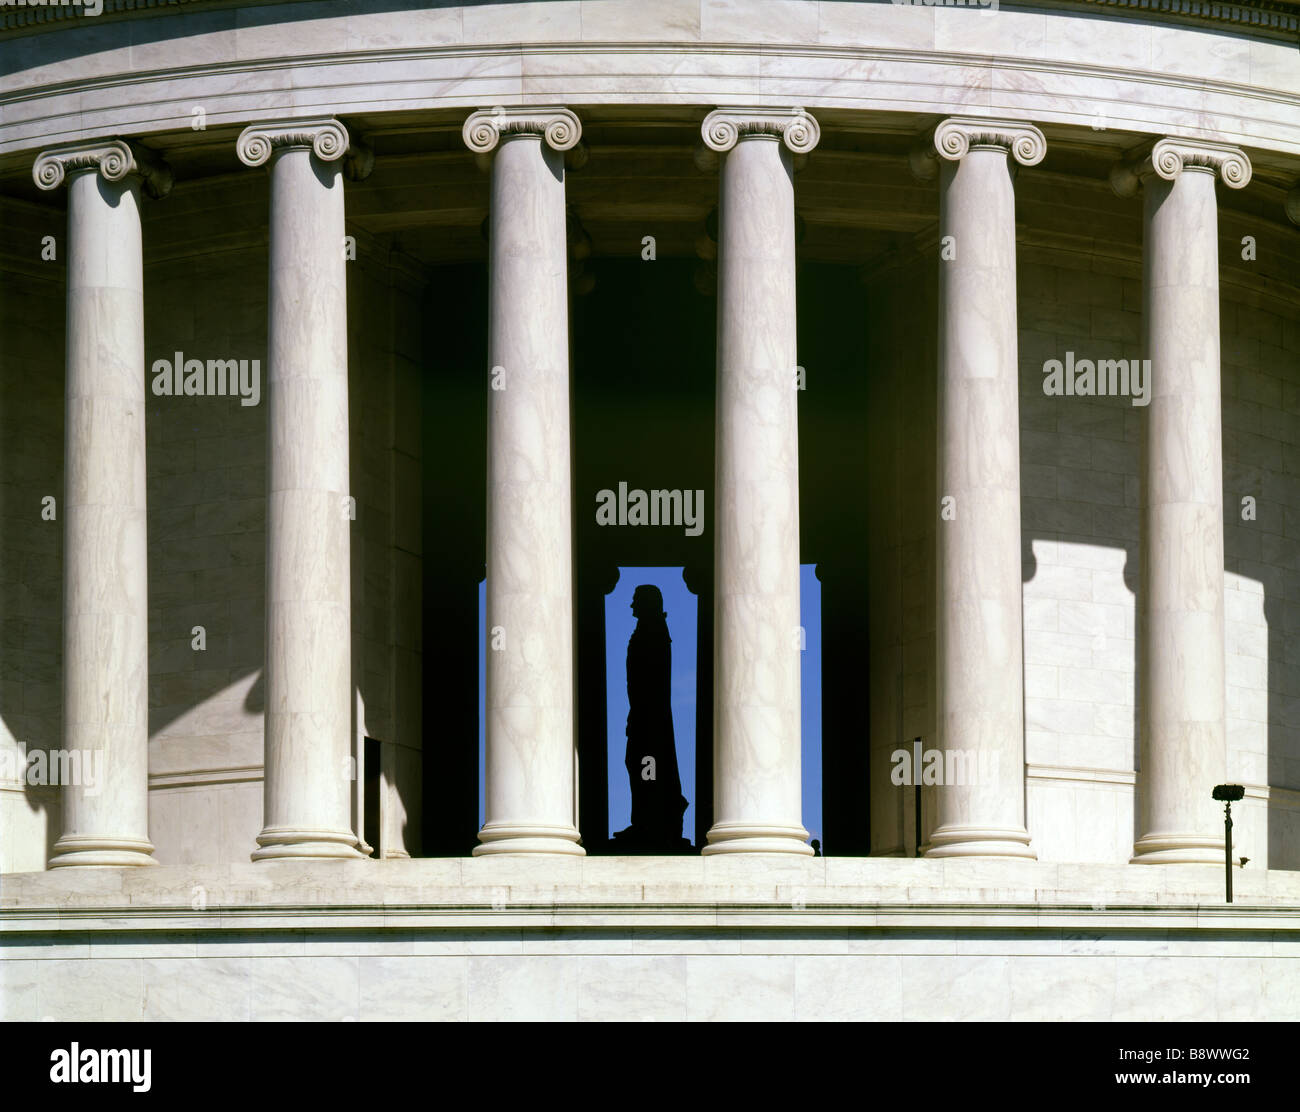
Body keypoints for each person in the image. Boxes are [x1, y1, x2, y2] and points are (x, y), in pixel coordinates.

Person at [613, 584, 688, 849]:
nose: (631, 606)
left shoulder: (653, 631)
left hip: (648, 717)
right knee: (640, 763)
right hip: (644, 713)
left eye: (636, 601)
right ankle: (647, 821)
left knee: (644, 763)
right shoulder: (652, 630)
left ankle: (650, 823)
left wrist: (641, 713)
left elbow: (650, 679)